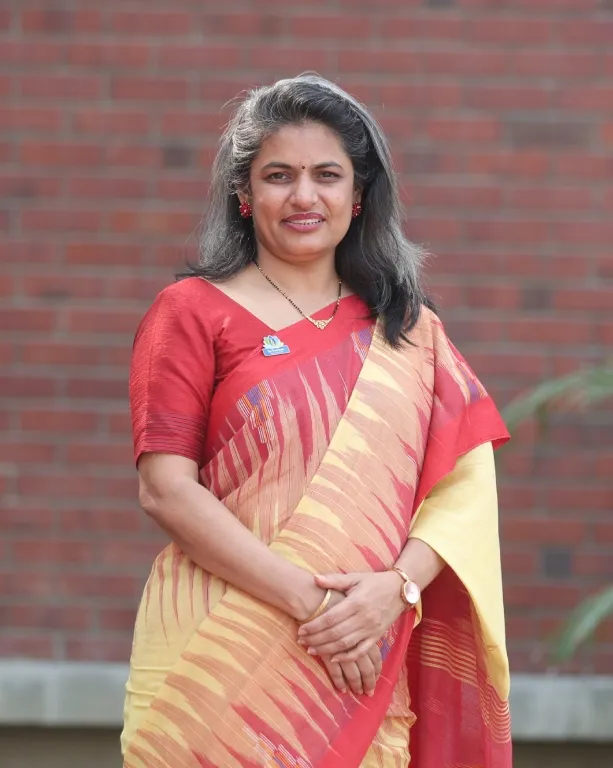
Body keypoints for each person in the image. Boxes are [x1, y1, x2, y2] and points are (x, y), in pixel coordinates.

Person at [121, 74, 512, 768]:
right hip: (215, 662)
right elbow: (165, 490)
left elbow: (465, 487)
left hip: (360, 659)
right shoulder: (191, 313)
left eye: (326, 175)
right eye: (279, 176)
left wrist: (396, 591)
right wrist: (318, 606)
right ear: (244, 193)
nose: (304, 196)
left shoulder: (409, 333)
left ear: (358, 195)